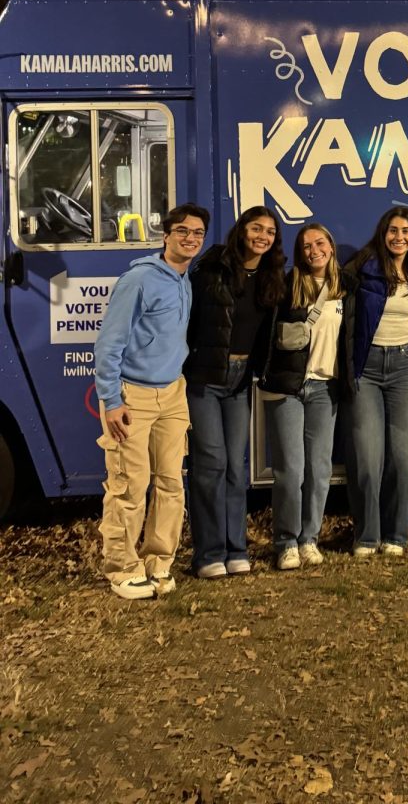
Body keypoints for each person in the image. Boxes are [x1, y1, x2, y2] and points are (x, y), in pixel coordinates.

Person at [94, 203, 209, 599]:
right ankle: (122, 569)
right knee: (129, 485)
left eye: (197, 233)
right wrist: (111, 400)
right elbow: (109, 343)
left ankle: (158, 563)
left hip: (173, 394)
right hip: (134, 396)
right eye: (183, 231)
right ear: (166, 235)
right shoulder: (139, 279)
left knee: (170, 483)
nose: (190, 238)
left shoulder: (184, 279)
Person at [184, 206, 286, 578]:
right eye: (256, 228)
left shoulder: (273, 277)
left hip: (242, 380)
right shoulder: (213, 268)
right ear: (242, 230)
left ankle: (235, 548)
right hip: (206, 378)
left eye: (270, 232)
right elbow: (189, 320)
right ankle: (208, 554)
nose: (262, 236)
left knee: (234, 467)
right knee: (209, 464)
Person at [258, 223, 353, 569]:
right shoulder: (287, 286)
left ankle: (309, 538)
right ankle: (285, 542)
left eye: (320, 242)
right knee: (290, 469)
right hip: (289, 388)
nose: (314, 250)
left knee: (319, 468)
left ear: (330, 245)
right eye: (306, 246)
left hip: (326, 389)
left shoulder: (346, 288)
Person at [344, 207, 408, 557]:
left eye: (406, 231)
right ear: (383, 233)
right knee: (367, 457)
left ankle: (396, 535)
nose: (399, 237)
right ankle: (367, 536)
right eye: (393, 230)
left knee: (401, 457)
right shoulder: (361, 269)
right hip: (366, 368)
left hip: (404, 368)